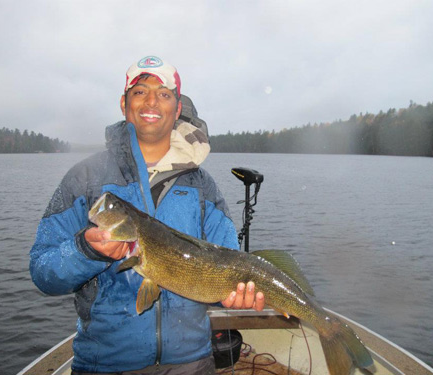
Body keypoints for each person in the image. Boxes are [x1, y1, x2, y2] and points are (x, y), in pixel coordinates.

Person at [30, 55, 265, 375]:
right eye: (140, 91)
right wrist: (86, 250)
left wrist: (235, 295)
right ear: (124, 104)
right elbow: (43, 271)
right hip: (105, 364)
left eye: (164, 93)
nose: (152, 100)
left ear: (177, 108)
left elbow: (227, 266)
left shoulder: (204, 186)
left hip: (192, 362)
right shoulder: (84, 179)